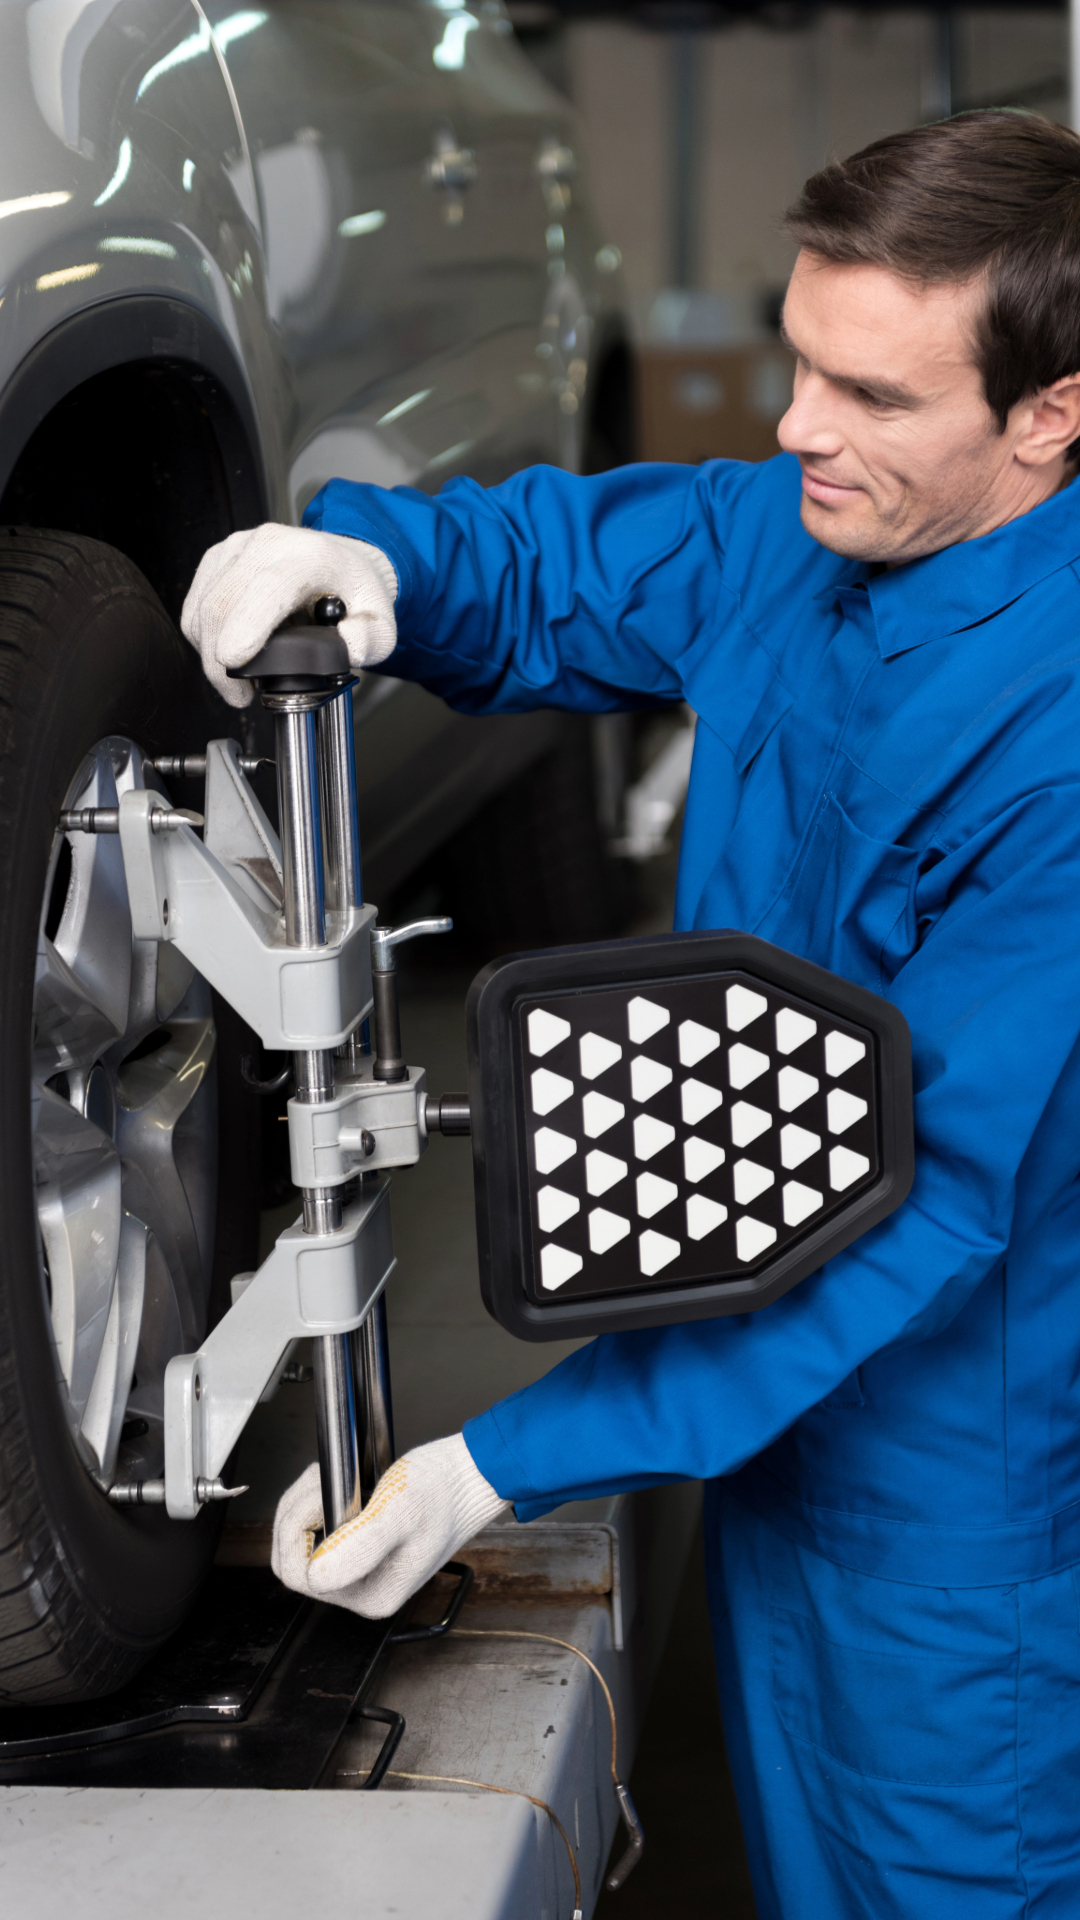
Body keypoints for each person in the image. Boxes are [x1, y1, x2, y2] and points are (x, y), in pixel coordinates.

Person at [184, 112, 1080, 1918]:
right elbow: (575, 565)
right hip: (776, 1428)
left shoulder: (1057, 744)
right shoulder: (815, 530)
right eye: (797, 359)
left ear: (1050, 416)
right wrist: (375, 570)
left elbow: (922, 1202)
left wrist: (492, 1466)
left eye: (871, 395)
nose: (797, 426)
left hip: (959, 1498)